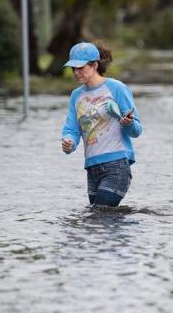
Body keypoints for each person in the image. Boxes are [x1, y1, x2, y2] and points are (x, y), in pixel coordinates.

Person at [61, 42, 142, 207]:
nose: (76, 73)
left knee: (99, 216)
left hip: (116, 166)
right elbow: (71, 129)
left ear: (95, 65)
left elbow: (137, 130)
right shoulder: (76, 95)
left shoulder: (116, 88)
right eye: (73, 68)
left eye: (80, 68)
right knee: (97, 225)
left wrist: (128, 123)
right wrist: (68, 142)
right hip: (92, 168)